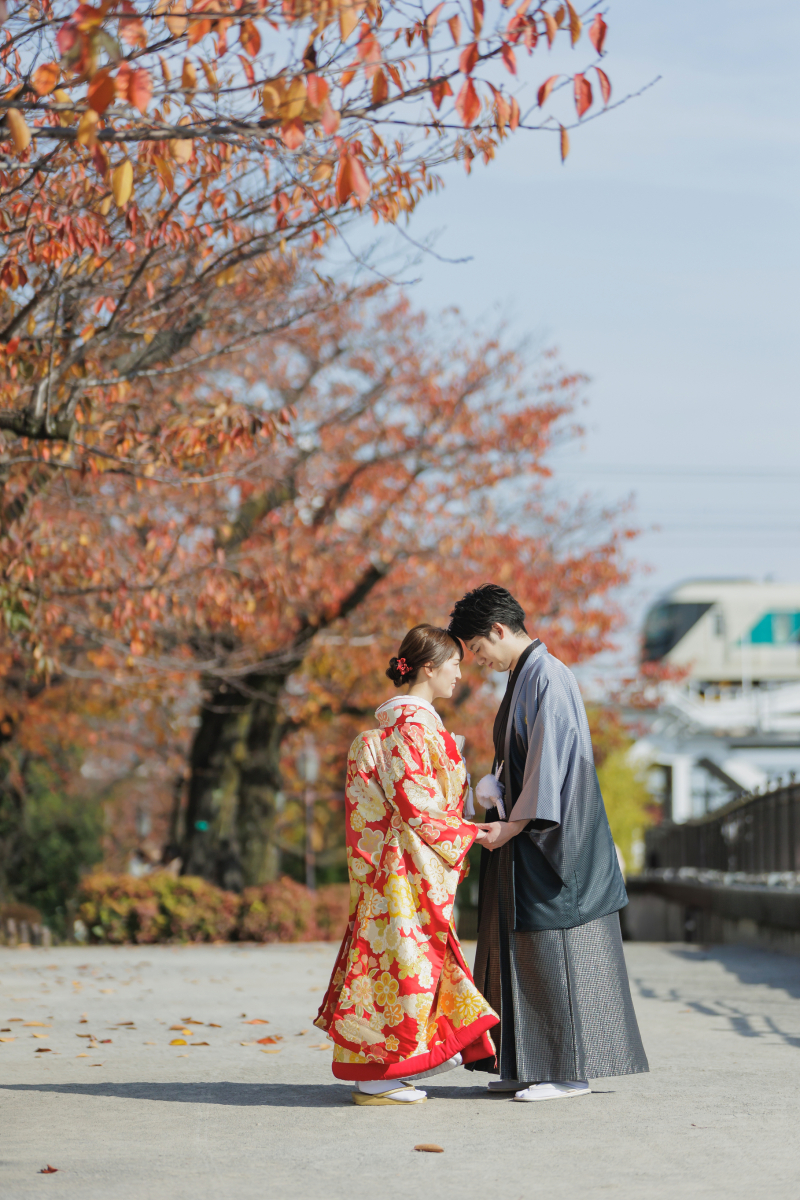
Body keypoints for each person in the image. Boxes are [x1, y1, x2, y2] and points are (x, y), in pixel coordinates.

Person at [448, 584, 648, 1103]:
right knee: (525, 950)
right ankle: (528, 1064)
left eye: (477, 648)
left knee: (556, 949)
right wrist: (495, 788)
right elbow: (524, 761)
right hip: (531, 834)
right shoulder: (523, 676)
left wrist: (512, 823)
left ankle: (567, 1071)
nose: (478, 660)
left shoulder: (549, 676)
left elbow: (549, 765)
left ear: (497, 630)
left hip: (558, 842)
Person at [315, 624, 499, 1105]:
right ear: (430, 667)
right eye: (456, 664)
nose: (461, 674)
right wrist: (473, 833)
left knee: (394, 968)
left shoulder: (407, 726)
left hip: (398, 867)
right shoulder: (411, 727)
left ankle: (384, 1069)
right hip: (405, 870)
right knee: (403, 968)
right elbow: (417, 805)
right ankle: (378, 1076)